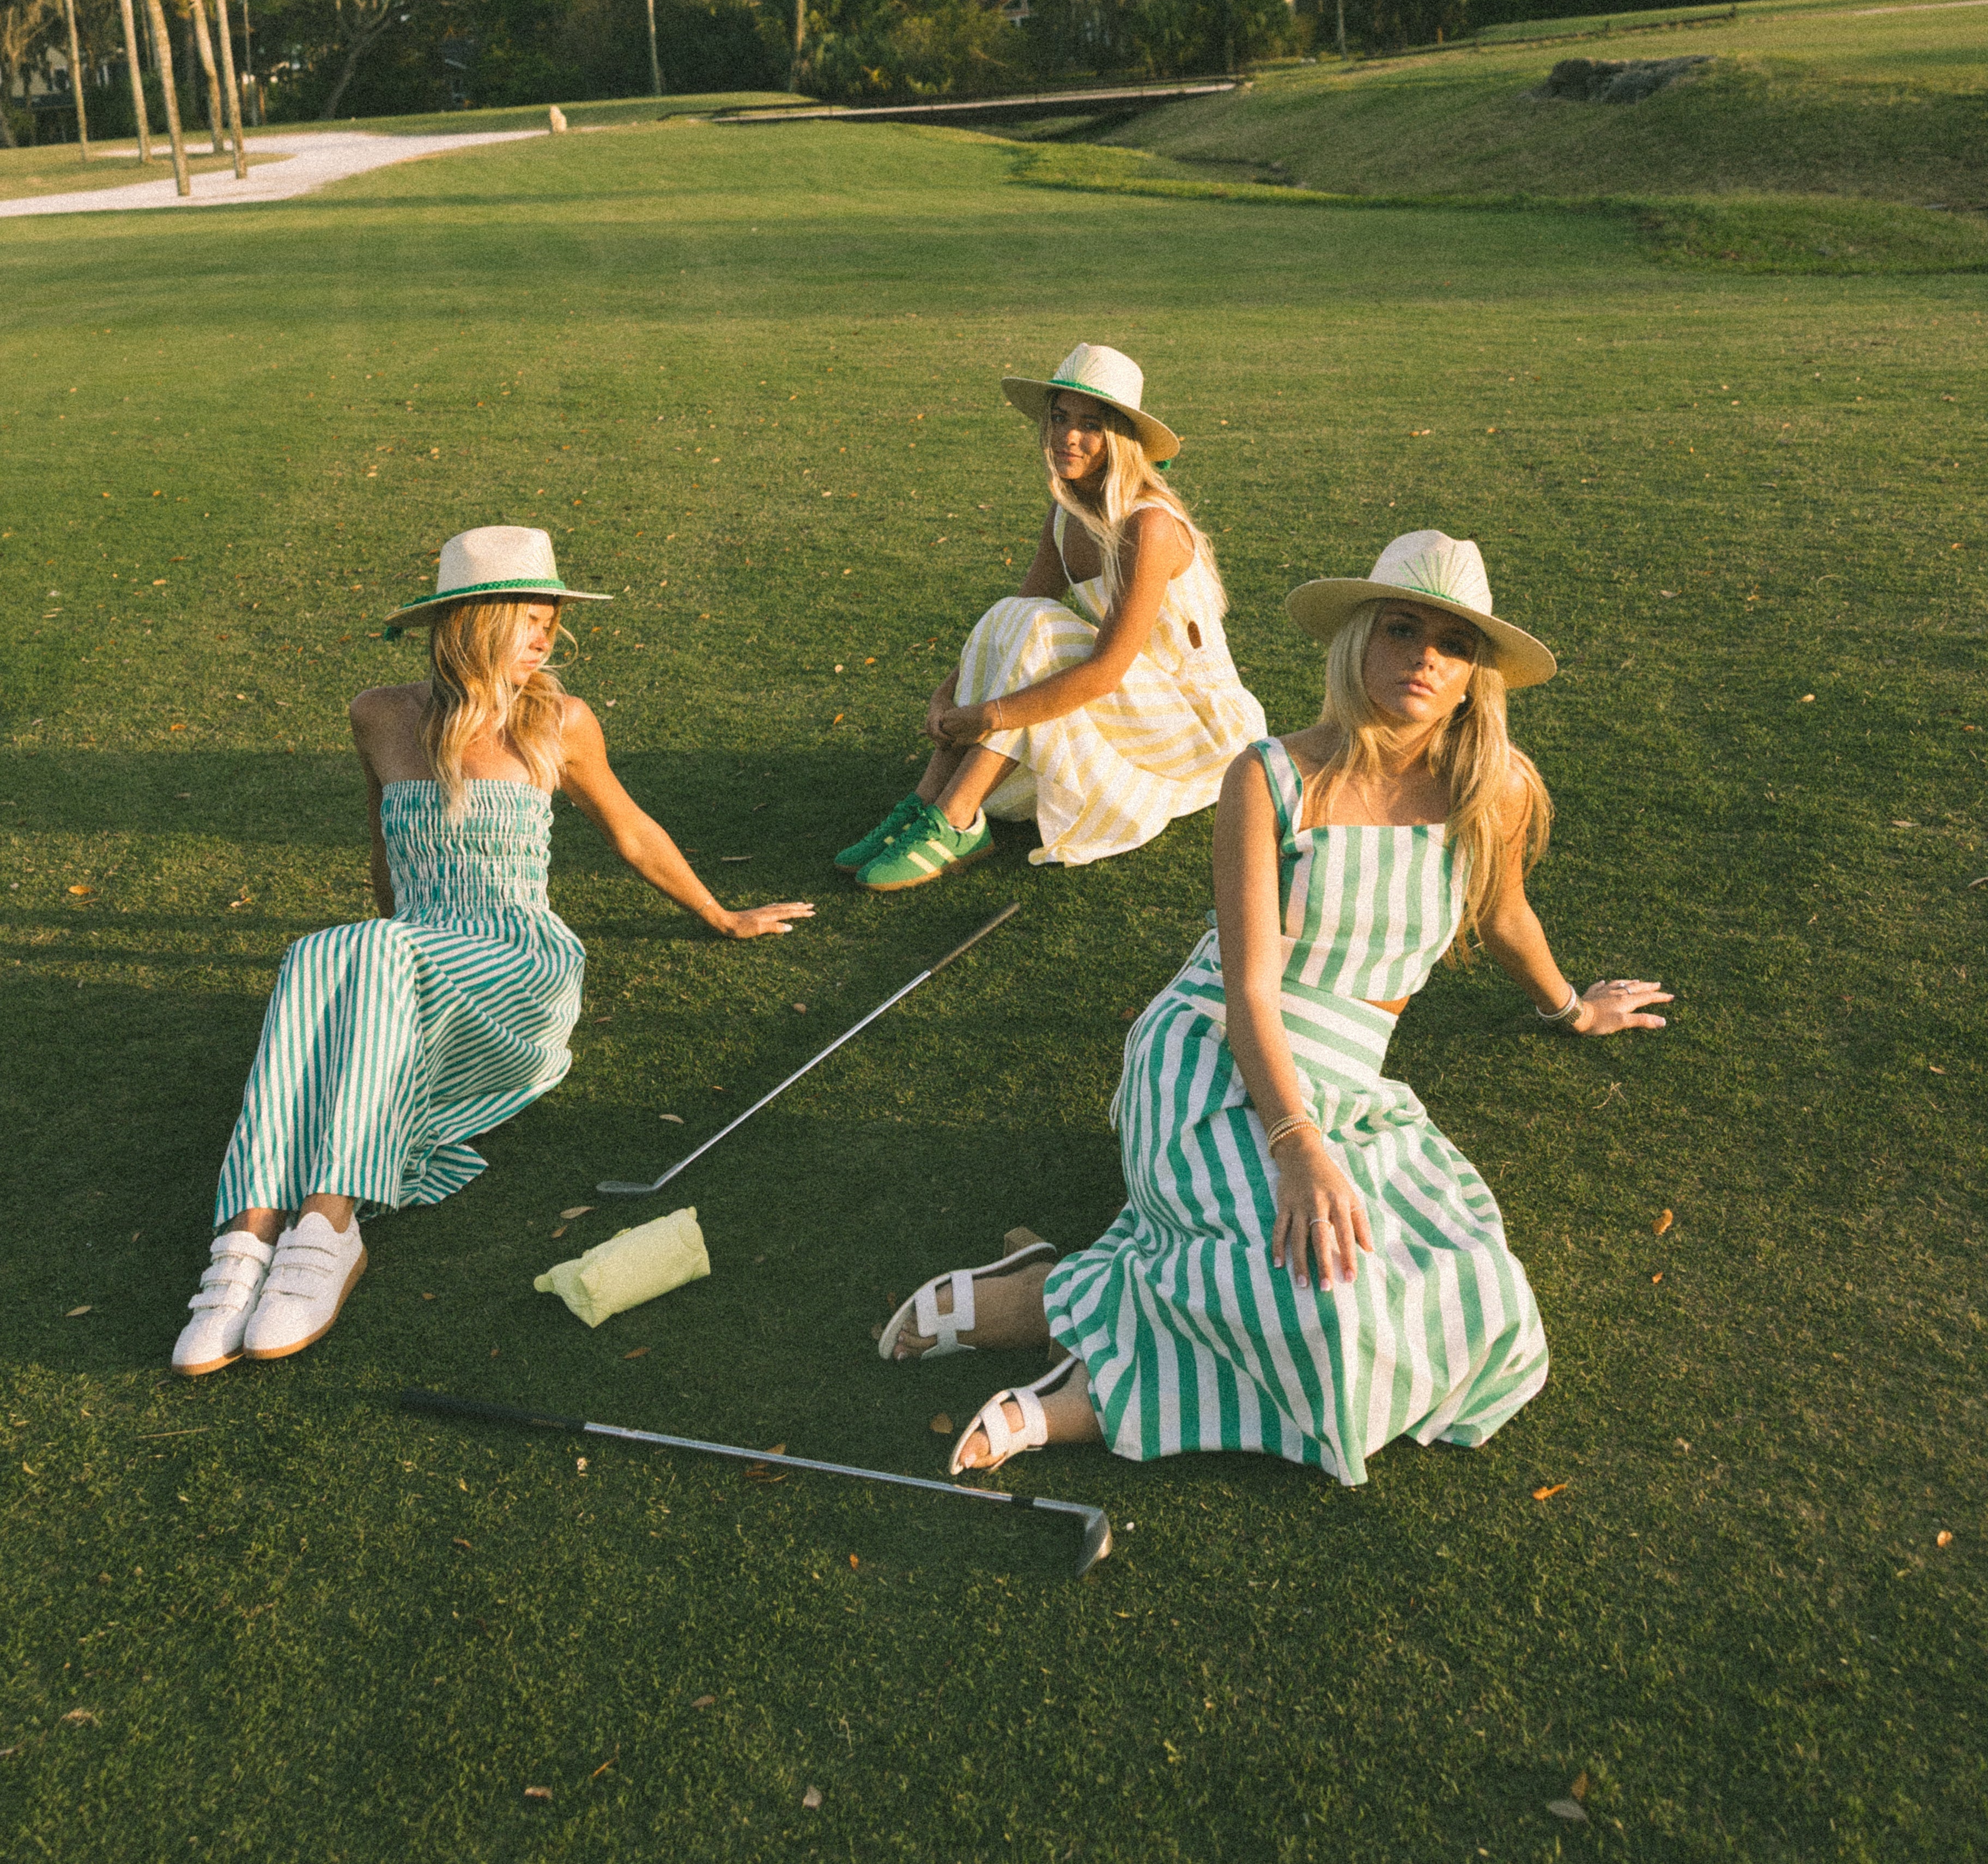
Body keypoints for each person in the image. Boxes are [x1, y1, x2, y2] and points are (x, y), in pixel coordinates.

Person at [875, 530, 1671, 1482]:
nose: (1423, 657)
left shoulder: (1487, 789)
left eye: (1453, 645)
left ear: (1473, 680)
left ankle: (1056, 1293)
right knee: (1320, 1291)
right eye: (1401, 629)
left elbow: (1503, 915)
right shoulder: (1270, 776)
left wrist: (1571, 1009)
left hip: (1349, 1085)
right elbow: (1249, 985)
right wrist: (1296, 1149)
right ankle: (1086, 1393)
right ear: (1357, 643)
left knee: (1485, 1309)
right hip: (1213, 1053)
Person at [170, 525, 812, 1378]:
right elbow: (382, 846)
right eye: (528, 620)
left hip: (519, 967)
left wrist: (721, 914)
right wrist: (371, 983)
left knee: (367, 950)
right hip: (414, 955)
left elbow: (630, 831)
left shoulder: (558, 720)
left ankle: (328, 1224)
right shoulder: (379, 715)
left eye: (551, 621)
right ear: (473, 623)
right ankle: (247, 1238)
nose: (546, 639)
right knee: (320, 953)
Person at [835, 343, 1267, 892]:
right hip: (1136, 704)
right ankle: (925, 805)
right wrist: (947, 696)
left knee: (1041, 628)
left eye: (1091, 426)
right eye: (1060, 418)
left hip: (1200, 725)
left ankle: (957, 819)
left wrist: (990, 715)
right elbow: (1008, 628)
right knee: (1017, 614)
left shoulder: (1149, 525)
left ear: (1120, 439)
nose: (1068, 437)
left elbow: (1105, 672)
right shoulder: (1067, 516)